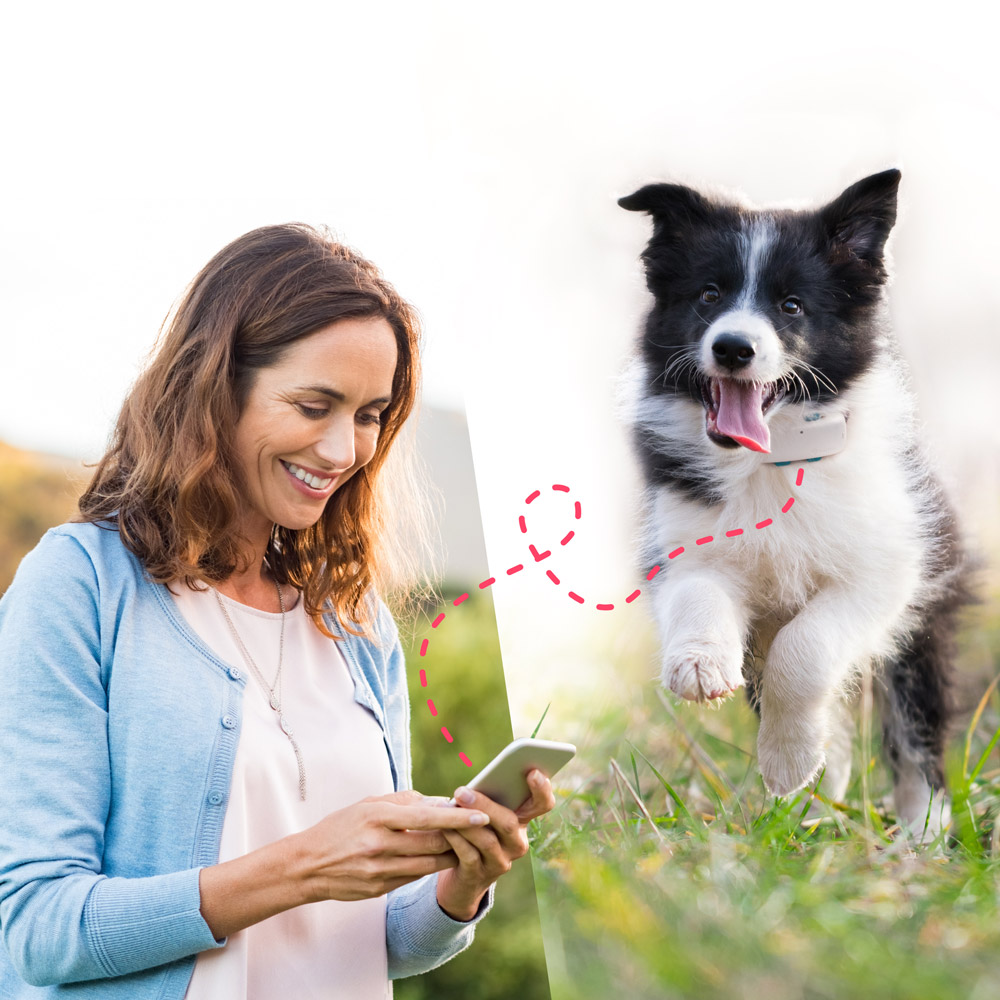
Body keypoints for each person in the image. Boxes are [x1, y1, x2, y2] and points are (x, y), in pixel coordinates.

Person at [0, 223, 554, 999]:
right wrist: (304, 866)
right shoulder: (82, 586)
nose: (341, 450)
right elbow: (39, 929)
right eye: (312, 404)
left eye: (369, 414)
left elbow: (375, 940)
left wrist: (456, 888)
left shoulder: (357, 626)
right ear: (213, 389)